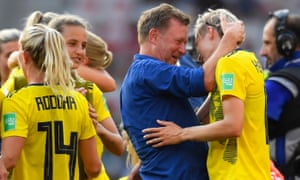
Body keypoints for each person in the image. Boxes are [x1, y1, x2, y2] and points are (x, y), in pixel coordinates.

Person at [120, 3, 245, 180]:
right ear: (154, 36)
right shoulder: (147, 69)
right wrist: (228, 41)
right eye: (178, 42)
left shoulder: (146, 74)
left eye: (185, 43)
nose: (182, 51)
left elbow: (192, 121)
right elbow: (205, 80)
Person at [142, 8, 270, 180]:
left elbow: (232, 126)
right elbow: (211, 115)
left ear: (210, 32)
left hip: (236, 174)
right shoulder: (248, 60)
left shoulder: (229, 64)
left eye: (197, 45)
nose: (200, 58)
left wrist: (181, 134)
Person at [0, 24, 101, 180]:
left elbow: (9, 160)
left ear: (25, 57)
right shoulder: (79, 101)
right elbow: (94, 168)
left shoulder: (17, 101)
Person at [48, 14, 125, 180]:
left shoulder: (89, 91)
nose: (80, 52)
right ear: (52, 45)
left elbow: (119, 147)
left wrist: (97, 127)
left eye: (83, 46)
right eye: (72, 44)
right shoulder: (27, 87)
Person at [260, 9, 300, 179]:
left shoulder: (279, 85)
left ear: (287, 43)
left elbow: (238, 126)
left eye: (268, 43)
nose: (262, 52)